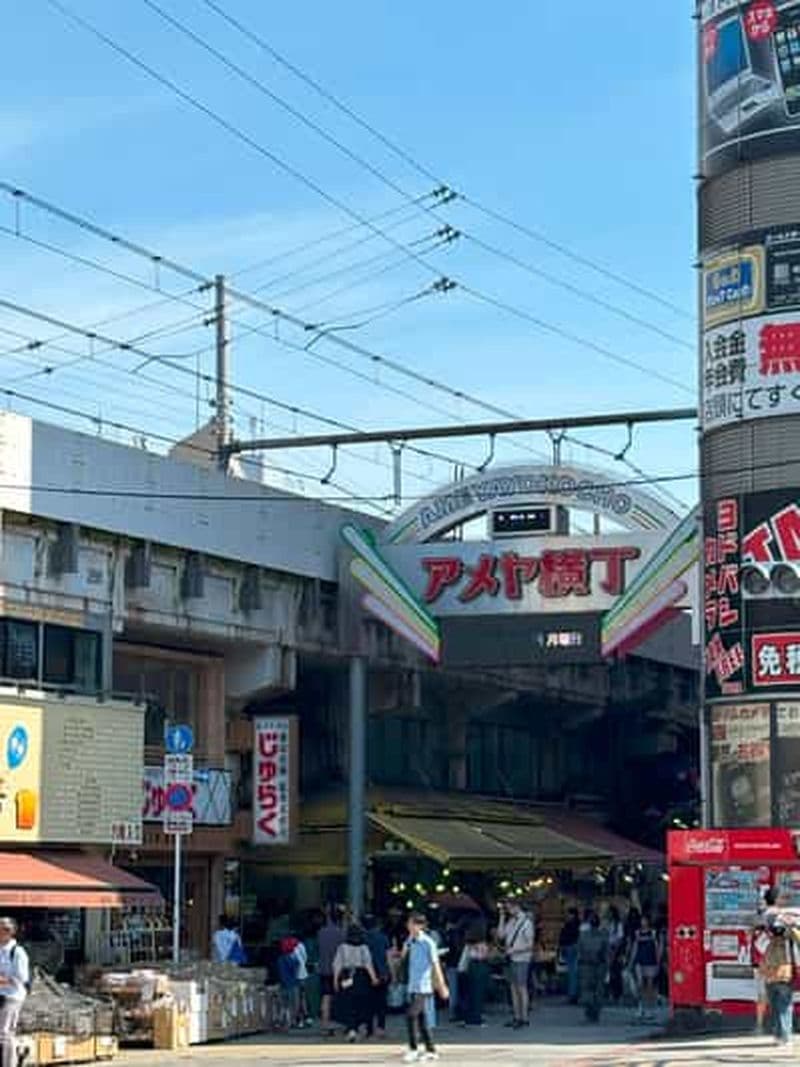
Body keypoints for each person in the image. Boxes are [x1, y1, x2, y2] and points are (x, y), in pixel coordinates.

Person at [403, 912, 448, 1063]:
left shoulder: (428, 943)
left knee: (411, 1015)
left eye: (412, 923)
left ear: (420, 925)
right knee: (422, 1020)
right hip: (412, 984)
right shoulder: (410, 940)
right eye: (409, 923)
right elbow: (404, 957)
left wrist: (441, 985)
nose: (409, 926)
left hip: (424, 985)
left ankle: (413, 1049)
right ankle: (431, 1050)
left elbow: (436, 965)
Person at [332, 924, 378, 1043]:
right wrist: (374, 978)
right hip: (361, 977)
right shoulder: (364, 948)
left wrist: (335, 980)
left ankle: (351, 1029)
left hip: (346, 976)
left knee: (348, 1003)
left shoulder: (342, 947)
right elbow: (368, 964)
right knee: (362, 1003)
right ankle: (362, 1027)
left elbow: (337, 965)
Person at [761, 916, 796, 1047]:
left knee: (775, 1008)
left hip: (769, 977)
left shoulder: (766, 942)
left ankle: (777, 1036)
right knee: (785, 1008)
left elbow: (757, 948)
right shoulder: (788, 942)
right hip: (784, 976)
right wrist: (792, 926)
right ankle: (785, 1037)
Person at [499, 900, 534, 1029]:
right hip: (511, 958)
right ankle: (516, 1016)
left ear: (516, 907)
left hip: (521, 959)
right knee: (513, 988)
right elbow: (501, 935)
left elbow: (529, 944)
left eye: (509, 908)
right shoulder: (511, 921)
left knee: (521, 988)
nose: (508, 911)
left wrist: (514, 950)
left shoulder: (526, 923)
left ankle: (524, 1018)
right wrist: (501, 917)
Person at [0, 918, 29, 1067]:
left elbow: (22, 978)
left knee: (6, 1033)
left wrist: (3, 980)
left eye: (3, 929)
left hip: (12, 997)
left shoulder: (18, 952)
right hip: (1, 995)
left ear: (10, 932)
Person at [317, 906, 345, 1036]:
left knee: (326, 997)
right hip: (339, 970)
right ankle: (339, 1024)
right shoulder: (342, 933)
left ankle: (324, 1024)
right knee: (341, 997)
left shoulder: (321, 932)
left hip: (324, 969)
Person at [578, 912, 609, 1023]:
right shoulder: (602, 935)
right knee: (594, 990)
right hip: (593, 965)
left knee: (591, 989)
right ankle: (592, 1012)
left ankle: (592, 1012)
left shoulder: (584, 935)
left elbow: (580, 950)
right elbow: (606, 951)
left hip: (593, 965)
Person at [629, 914, 661, 1022]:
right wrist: (631, 961)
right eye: (642, 920)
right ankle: (640, 1007)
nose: (643, 922)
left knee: (650, 985)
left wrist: (658, 960)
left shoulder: (653, 933)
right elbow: (634, 947)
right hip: (639, 960)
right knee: (640, 984)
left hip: (651, 960)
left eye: (645, 920)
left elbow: (657, 947)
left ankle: (649, 1008)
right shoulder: (637, 933)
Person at [458, 922, 490, 1027]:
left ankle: (469, 1017)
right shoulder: (481, 944)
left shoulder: (469, 945)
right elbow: (483, 956)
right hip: (479, 968)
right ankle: (476, 1017)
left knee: (471, 994)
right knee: (477, 994)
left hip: (471, 969)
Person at [364, 915, 390, 1039]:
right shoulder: (383, 938)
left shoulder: (362, 939)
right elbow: (388, 957)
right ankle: (381, 1028)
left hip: (366, 974)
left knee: (368, 1003)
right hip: (382, 973)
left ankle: (369, 1029)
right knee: (381, 1003)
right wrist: (392, 973)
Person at [277, 937, 301, 1030]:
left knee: (284, 1005)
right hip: (292, 985)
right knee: (292, 1005)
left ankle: (282, 1022)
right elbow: (295, 970)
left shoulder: (280, 959)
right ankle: (289, 1023)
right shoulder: (291, 959)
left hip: (283, 984)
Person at [559, 908, 581, 1005]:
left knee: (572, 972)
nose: (567, 916)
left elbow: (566, 936)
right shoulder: (575, 924)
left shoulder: (572, 925)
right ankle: (573, 993)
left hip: (571, 947)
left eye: (568, 914)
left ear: (572, 915)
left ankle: (572, 994)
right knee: (572, 972)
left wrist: (563, 945)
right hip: (570, 947)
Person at [604, 905, 625, 1003]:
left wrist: (614, 951)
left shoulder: (618, 924)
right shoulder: (607, 924)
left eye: (609, 913)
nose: (608, 914)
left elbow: (620, 939)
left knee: (616, 972)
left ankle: (617, 993)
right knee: (608, 972)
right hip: (608, 948)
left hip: (616, 950)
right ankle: (610, 993)